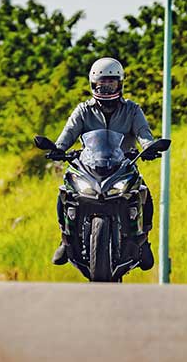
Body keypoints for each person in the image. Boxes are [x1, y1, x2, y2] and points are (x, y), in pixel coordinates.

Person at [50, 57, 157, 270]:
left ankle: (144, 241)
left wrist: (149, 147)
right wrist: (58, 149)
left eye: (112, 82)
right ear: (93, 84)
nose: (107, 87)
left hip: (123, 166)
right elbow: (69, 132)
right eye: (102, 83)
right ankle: (65, 240)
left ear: (120, 84)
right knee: (65, 192)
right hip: (89, 166)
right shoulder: (83, 110)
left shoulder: (132, 110)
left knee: (144, 193)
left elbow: (144, 132)